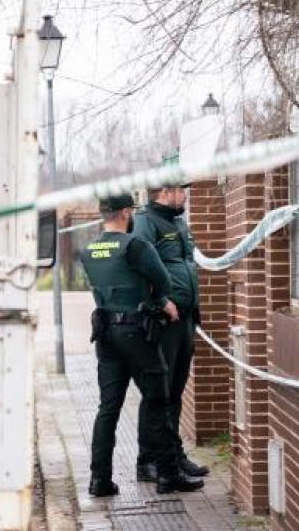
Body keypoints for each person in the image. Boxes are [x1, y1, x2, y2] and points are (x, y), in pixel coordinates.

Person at [78, 194, 205, 497]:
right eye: (130, 211)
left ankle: (100, 480)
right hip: (138, 332)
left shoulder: (88, 250)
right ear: (124, 213)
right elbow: (163, 282)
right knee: (157, 400)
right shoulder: (136, 246)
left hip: (106, 333)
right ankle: (167, 475)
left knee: (108, 408)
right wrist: (161, 301)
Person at [131, 177, 211, 483]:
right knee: (157, 394)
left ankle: (173, 455)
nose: (185, 195)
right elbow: (138, 266)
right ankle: (148, 460)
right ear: (165, 192)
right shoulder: (145, 222)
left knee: (175, 392)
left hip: (185, 320)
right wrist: (161, 301)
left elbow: (186, 263)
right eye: (181, 190)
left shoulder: (178, 223)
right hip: (164, 321)